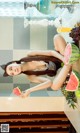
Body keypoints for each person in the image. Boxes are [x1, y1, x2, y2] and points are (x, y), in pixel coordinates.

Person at [1, 34, 78, 98]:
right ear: (15, 75)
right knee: (54, 87)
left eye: (11, 68)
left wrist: (64, 59)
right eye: (12, 73)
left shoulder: (30, 54)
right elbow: (49, 83)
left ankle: (69, 62)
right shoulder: (31, 77)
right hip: (61, 69)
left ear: (14, 62)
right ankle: (69, 64)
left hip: (61, 55)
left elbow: (51, 53)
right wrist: (29, 90)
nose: (14, 71)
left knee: (57, 37)